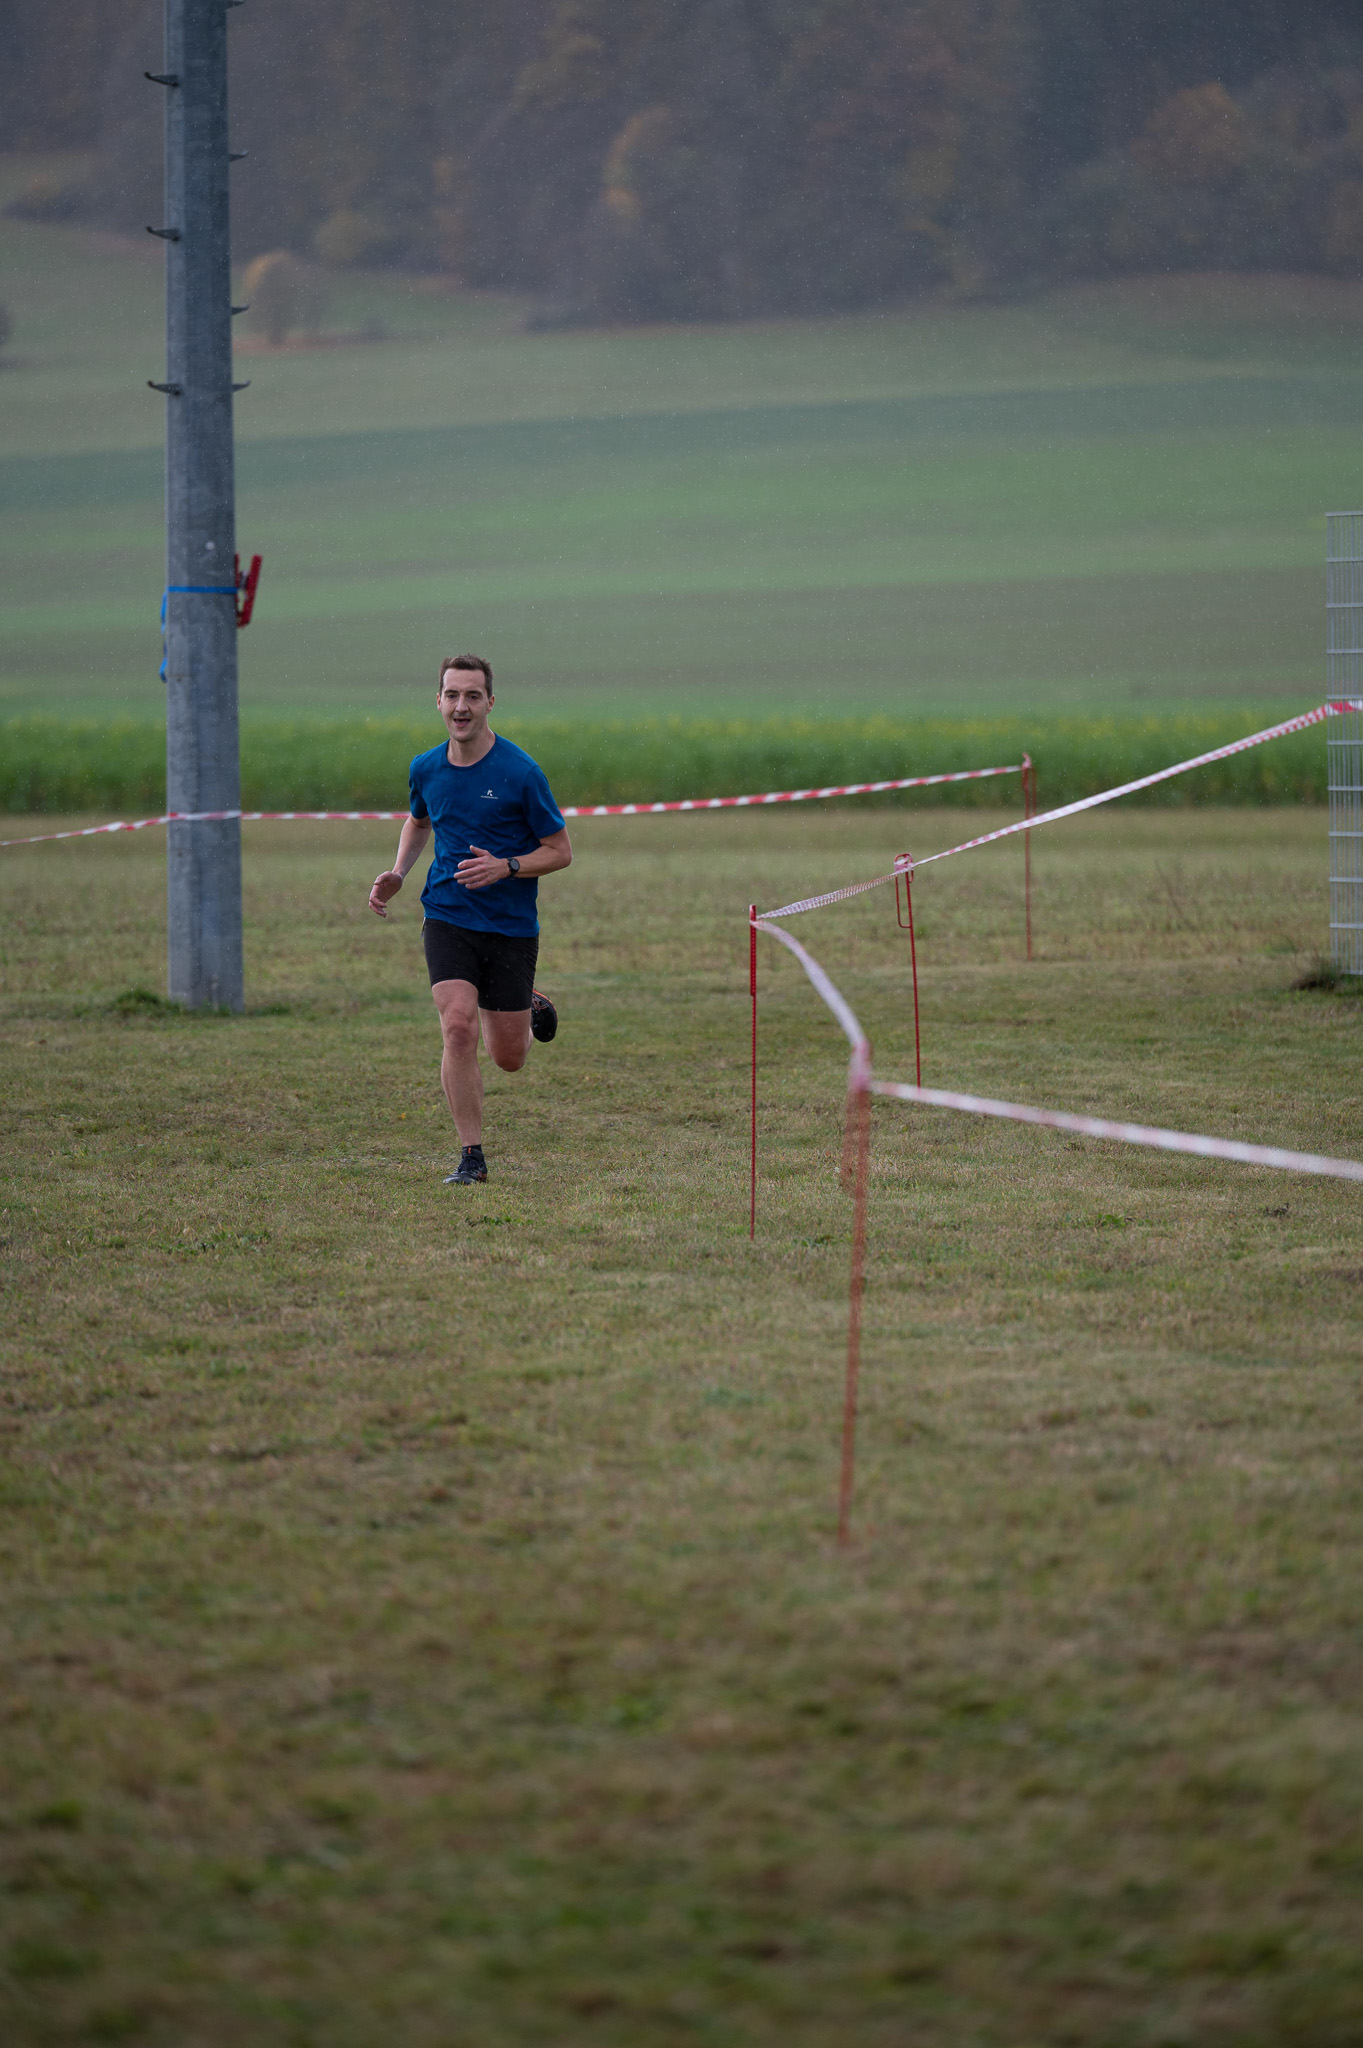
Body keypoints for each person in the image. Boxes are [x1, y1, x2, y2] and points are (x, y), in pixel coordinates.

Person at [368, 654, 572, 1185]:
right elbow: (419, 821)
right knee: (458, 1026)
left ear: (490, 703)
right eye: (453, 695)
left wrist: (507, 867)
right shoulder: (425, 768)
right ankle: (471, 1158)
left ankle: (528, 1003)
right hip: (447, 914)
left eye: (473, 696)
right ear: (438, 701)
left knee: (509, 1058)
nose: (462, 707)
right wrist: (399, 872)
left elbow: (560, 851)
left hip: (509, 926)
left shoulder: (521, 773)